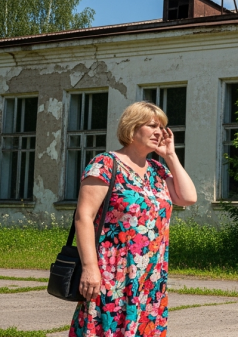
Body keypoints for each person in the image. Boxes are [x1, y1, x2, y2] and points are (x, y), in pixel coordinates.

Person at [70, 101, 197, 336]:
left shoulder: (157, 170)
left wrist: (170, 155)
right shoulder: (106, 164)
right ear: (132, 127)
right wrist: (89, 267)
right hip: (112, 272)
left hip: (151, 276)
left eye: (162, 127)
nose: (159, 132)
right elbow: (83, 216)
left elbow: (188, 198)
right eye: (152, 126)